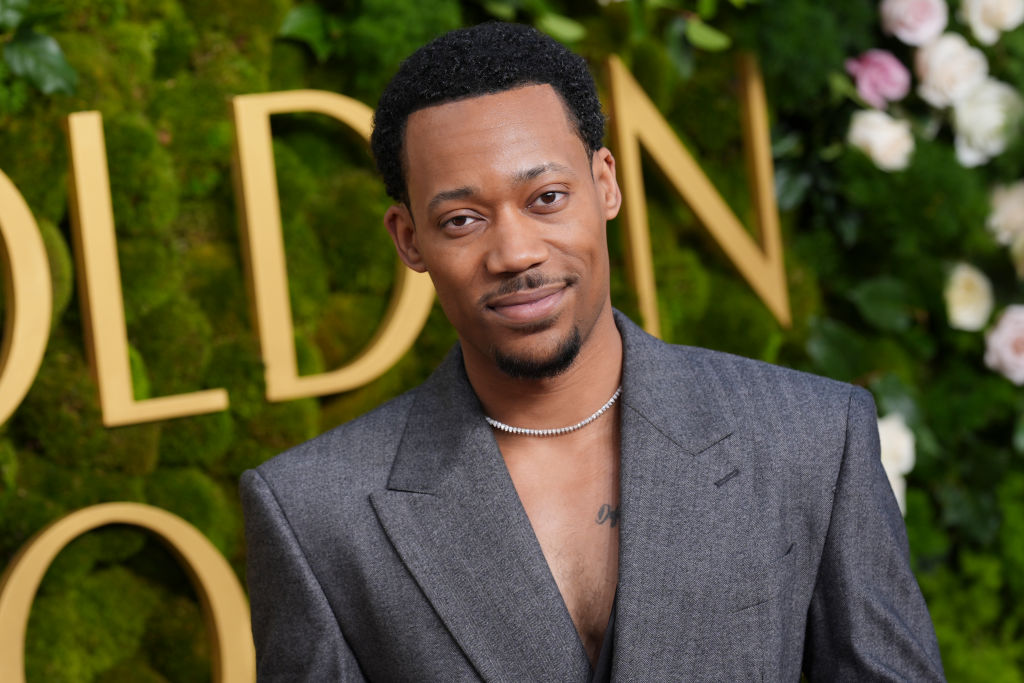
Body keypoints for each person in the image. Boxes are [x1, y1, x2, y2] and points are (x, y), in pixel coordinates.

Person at [239, 22, 945, 681]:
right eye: (462, 219)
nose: (515, 252)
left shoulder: (812, 438)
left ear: (604, 182)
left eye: (546, 197)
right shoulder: (313, 513)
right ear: (408, 239)